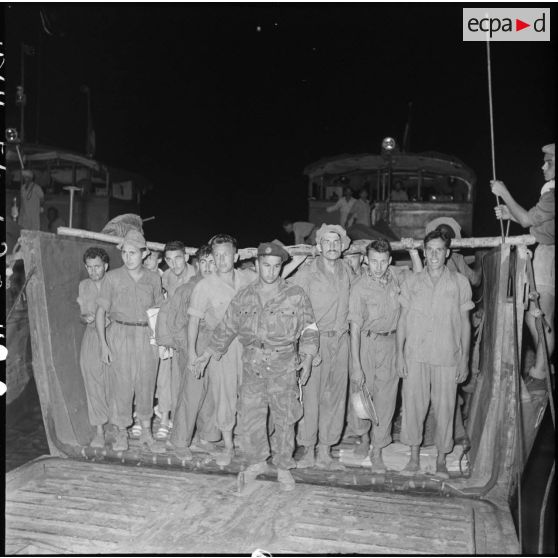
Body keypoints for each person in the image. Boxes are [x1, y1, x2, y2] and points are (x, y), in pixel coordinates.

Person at [192, 242, 319, 491]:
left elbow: (309, 328)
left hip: (283, 365)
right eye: (266, 266)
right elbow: (226, 327)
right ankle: (257, 462)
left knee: (284, 418)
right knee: (251, 417)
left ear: (281, 267)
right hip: (252, 364)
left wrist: (307, 358)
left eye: (276, 266)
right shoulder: (245, 295)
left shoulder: (295, 294)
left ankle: (283, 466)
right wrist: (207, 354)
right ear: (258, 264)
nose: (270, 271)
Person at [396, 230, 474, 478]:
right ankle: (414, 457)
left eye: (439, 249)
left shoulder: (459, 282)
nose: (434, 255)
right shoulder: (412, 281)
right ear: (423, 252)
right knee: (413, 407)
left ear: (447, 252)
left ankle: (441, 458)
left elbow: (465, 323)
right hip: (415, 354)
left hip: (446, 356)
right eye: (429, 249)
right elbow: (403, 319)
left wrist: (464, 359)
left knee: (445, 408)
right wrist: (399, 353)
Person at [348, 239, 422, 472]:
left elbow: (419, 276)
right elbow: (355, 328)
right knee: (361, 395)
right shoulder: (359, 287)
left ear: (389, 261)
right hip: (366, 343)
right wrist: (356, 364)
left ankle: (378, 449)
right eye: (373, 262)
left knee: (387, 399)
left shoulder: (397, 278)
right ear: (366, 261)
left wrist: (412, 251)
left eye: (383, 261)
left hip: (391, 344)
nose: (378, 266)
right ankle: (363, 436)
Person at [187, 234, 257, 466]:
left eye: (226, 254)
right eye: (216, 255)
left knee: (250, 393)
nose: (221, 259)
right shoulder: (204, 286)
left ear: (236, 256)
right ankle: (228, 446)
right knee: (224, 396)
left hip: (248, 345)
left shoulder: (248, 277)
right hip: (220, 348)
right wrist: (191, 353)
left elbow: (275, 277)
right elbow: (194, 322)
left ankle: (248, 439)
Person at [491, 143, 555, 393]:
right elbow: (531, 220)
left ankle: (539, 373)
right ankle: (543, 363)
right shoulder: (549, 194)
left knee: (543, 317)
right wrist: (510, 214)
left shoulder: (553, 194)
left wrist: (504, 192)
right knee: (533, 314)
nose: (543, 165)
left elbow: (528, 220)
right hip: (543, 252)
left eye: (548, 161)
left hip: (548, 254)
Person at [95, 230, 165, 453]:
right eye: (124, 252)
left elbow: (158, 311)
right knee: (122, 386)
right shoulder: (112, 278)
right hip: (120, 334)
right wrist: (103, 343)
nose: (128, 257)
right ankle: (122, 433)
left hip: (146, 337)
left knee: (147, 383)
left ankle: (146, 433)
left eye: (133, 252)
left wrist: (160, 342)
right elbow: (100, 313)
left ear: (144, 254)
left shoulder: (154, 278)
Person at [289, 223, 352, 470]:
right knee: (310, 397)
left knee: (335, 397)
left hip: (341, 340)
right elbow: (296, 310)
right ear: (318, 246)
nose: (332, 246)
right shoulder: (307, 273)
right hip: (314, 339)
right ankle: (308, 450)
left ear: (342, 246)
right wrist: (305, 349)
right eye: (327, 242)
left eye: (337, 242)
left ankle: (326, 450)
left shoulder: (347, 271)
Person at [160, 245, 220, 459]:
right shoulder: (187, 289)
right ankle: (180, 441)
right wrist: (188, 350)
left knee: (212, 395)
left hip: (215, 348)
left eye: (212, 261)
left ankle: (206, 436)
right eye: (203, 262)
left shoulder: (221, 287)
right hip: (194, 347)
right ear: (196, 264)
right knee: (191, 395)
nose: (207, 266)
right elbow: (174, 323)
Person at [153, 241, 197, 439]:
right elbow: (164, 307)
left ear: (186, 257)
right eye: (169, 260)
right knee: (165, 378)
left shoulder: (197, 275)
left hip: (191, 335)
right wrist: (163, 338)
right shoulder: (167, 277)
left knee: (188, 381)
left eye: (178, 258)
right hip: (171, 335)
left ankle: (185, 424)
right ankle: (164, 419)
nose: (174, 264)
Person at [77, 247, 110, 448]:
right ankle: (99, 430)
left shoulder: (114, 282)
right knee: (92, 381)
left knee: (113, 381)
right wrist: (85, 318)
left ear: (105, 265)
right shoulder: (83, 285)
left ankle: (117, 425)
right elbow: (82, 315)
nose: (93, 271)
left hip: (113, 335)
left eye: (97, 267)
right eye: (89, 267)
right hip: (91, 337)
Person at [425, 217, 482, 287]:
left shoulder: (457, 258)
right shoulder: (429, 257)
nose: (442, 237)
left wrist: (479, 258)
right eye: (439, 233)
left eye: (446, 235)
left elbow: (475, 281)